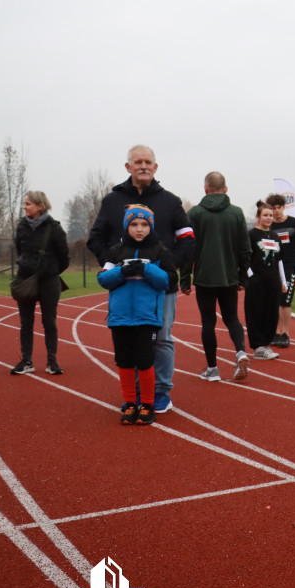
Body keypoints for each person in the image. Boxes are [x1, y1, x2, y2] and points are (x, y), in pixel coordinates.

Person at [87, 145, 194, 414]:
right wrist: (112, 264)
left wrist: (169, 266)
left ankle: (160, 392)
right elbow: (95, 238)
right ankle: (134, 393)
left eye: (148, 162)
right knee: (129, 339)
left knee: (162, 338)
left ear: (155, 167)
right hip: (125, 287)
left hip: (160, 286)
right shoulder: (112, 201)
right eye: (138, 162)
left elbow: (188, 239)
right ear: (128, 167)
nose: (143, 166)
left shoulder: (170, 201)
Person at [97, 205, 177, 425]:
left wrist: (146, 268)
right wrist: (123, 271)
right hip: (120, 318)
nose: (139, 229)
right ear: (127, 226)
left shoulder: (161, 252)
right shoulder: (116, 251)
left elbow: (168, 281)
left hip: (147, 318)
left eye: (144, 224)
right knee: (123, 361)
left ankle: (147, 405)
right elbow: (103, 279)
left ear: (150, 226)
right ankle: (130, 403)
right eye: (134, 224)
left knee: (144, 362)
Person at [187, 172, 253, 382]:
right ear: (226, 189)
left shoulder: (195, 213)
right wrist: (243, 278)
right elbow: (245, 249)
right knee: (231, 317)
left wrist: (184, 278)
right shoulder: (236, 213)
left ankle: (212, 369)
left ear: (205, 189)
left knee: (207, 322)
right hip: (229, 276)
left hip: (204, 277)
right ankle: (240, 351)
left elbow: (189, 248)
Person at [10, 191, 70, 375]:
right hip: (25, 279)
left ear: (40, 206)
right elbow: (20, 250)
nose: (24, 207)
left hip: (48, 281)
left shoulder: (55, 228)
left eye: (28, 204)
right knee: (26, 322)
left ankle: (52, 362)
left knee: (49, 321)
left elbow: (64, 258)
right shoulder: (21, 226)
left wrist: (49, 271)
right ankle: (26, 361)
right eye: (24, 203)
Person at [266, 193, 295, 348]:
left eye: (278, 207)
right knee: (274, 300)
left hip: (290, 266)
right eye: (273, 208)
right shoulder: (269, 226)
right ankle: (276, 333)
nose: (276, 211)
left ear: (283, 207)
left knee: (285, 301)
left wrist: (292, 257)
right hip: (273, 266)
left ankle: (286, 334)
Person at [244, 201, 285, 360]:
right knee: (256, 313)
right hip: (257, 282)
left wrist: (284, 281)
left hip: (273, 281)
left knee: (271, 313)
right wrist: (251, 276)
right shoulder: (252, 235)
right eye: (265, 215)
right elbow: (244, 258)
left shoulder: (275, 236)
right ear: (258, 217)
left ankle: (265, 343)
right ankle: (258, 346)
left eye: (270, 215)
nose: (268, 218)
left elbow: (280, 260)